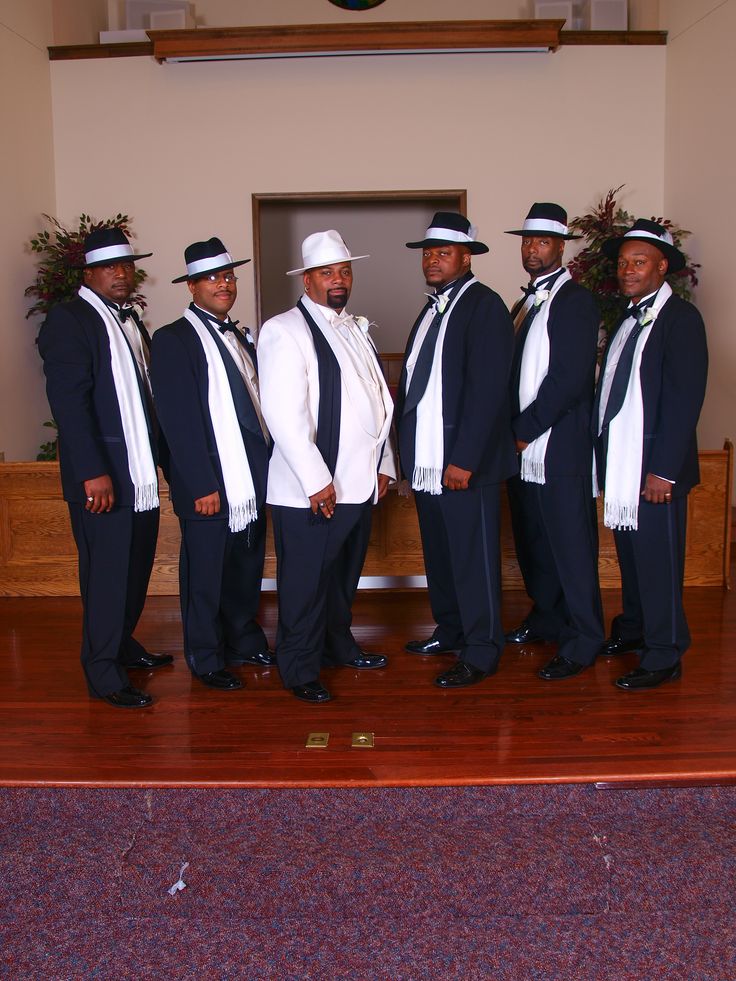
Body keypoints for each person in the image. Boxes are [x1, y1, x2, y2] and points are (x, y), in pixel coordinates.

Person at [257, 230, 396, 703]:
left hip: (359, 483)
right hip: (310, 489)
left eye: (344, 271)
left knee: (341, 580)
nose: (338, 280)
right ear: (308, 280)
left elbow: (378, 401)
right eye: (326, 273)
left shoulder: (354, 326)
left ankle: (337, 646)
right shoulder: (283, 330)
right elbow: (283, 415)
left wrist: (386, 463)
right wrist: (317, 481)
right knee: (305, 583)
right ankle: (297, 667)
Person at [38, 227, 170, 709]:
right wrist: (92, 471)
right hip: (104, 476)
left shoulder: (131, 321)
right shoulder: (68, 320)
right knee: (107, 575)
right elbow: (69, 404)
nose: (121, 274)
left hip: (138, 474)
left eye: (127, 265)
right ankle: (102, 672)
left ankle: (121, 644)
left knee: (135, 571)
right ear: (89, 274)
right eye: (110, 267)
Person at [396, 212, 517, 688]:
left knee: (473, 558)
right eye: (427, 253)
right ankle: (450, 630)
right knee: (441, 555)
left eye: (442, 252)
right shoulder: (430, 309)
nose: (432, 260)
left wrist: (464, 459)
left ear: (467, 258)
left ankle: (483, 650)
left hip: (464, 463)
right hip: (429, 461)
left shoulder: (484, 306)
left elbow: (488, 391)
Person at [150, 238, 273, 692]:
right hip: (208, 478)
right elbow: (178, 420)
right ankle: (205, 655)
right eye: (212, 278)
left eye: (228, 276)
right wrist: (201, 482)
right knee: (205, 572)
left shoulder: (239, 334)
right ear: (192, 287)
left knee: (245, 565)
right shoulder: (172, 340)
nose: (224, 284)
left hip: (252, 472)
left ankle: (242, 639)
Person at [594, 218, 708, 690]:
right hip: (623, 463)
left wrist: (663, 470)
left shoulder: (680, 319)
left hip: (654, 469)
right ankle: (636, 628)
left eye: (638, 262)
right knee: (633, 556)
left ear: (662, 267)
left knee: (659, 562)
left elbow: (685, 399)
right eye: (623, 263)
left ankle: (665, 653)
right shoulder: (627, 316)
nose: (628, 270)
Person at [504, 202, 605, 680]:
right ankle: (546, 616)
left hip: (557, 447)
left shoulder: (575, 301)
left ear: (560, 247)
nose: (532, 248)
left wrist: (525, 431)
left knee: (569, 544)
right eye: (526, 241)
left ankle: (584, 638)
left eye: (541, 241)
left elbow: (568, 379)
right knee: (534, 542)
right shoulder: (523, 303)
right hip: (523, 454)